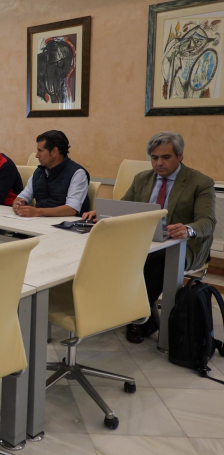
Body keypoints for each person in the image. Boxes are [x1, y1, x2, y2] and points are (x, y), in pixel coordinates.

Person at [82, 132, 216, 344]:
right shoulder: (142, 179)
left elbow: (207, 221)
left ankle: (138, 316)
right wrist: (101, 213)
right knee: (101, 252)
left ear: (180, 156)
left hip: (182, 245)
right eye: (154, 157)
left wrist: (188, 229)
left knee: (158, 261)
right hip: (143, 240)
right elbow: (123, 207)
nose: (159, 163)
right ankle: (115, 308)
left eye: (166, 157)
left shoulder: (200, 182)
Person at [13, 130, 90, 217]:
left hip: (66, 223)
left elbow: (72, 209)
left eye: (40, 151)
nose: (37, 155)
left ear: (54, 152)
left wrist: (37, 212)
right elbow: (23, 196)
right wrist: (18, 204)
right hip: (39, 221)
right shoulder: (39, 172)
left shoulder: (77, 173)